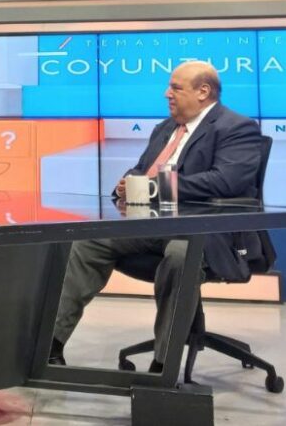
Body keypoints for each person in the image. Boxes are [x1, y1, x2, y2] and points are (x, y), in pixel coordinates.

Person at [49, 61, 263, 371]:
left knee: (180, 255)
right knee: (88, 241)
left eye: (175, 87)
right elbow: (142, 169)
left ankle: (163, 366)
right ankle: (51, 346)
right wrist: (128, 184)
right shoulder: (165, 128)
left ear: (203, 91)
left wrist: (155, 187)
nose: (167, 94)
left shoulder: (236, 127)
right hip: (152, 226)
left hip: (204, 233)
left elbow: (226, 181)